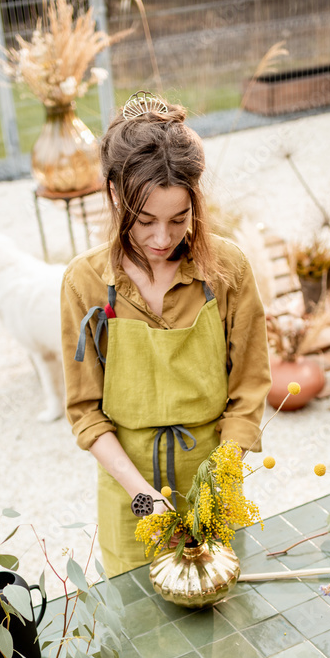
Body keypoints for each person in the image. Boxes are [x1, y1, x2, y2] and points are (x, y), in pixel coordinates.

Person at [60, 92, 271, 577]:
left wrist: (221, 477)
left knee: (217, 621)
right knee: (139, 631)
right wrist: (142, 497)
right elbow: (85, 412)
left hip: (214, 479)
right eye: (145, 220)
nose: (162, 238)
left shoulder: (228, 270)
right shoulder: (85, 282)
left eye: (179, 219)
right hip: (127, 491)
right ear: (114, 194)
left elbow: (250, 387)